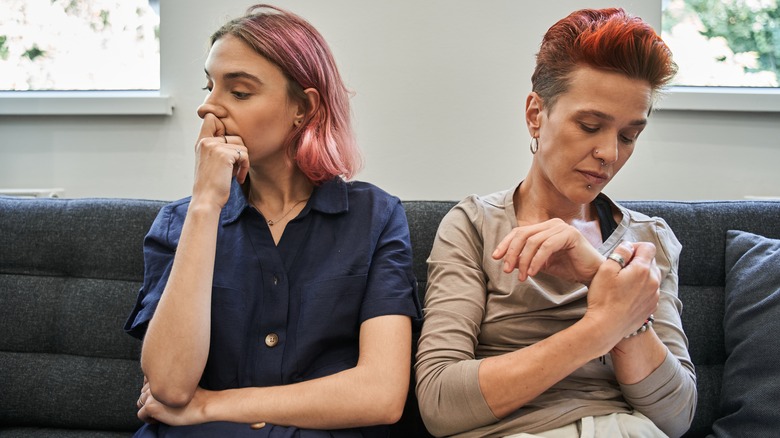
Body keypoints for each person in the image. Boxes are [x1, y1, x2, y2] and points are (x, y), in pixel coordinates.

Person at [124, 4, 421, 437]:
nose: (208, 108)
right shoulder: (179, 223)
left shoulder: (375, 217)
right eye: (209, 86)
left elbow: (380, 394)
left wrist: (212, 405)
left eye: (239, 92)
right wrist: (206, 204)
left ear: (303, 108)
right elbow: (168, 386)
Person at [415, 8, 696, 438]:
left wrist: (604, 281)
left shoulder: (648, 239)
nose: (609, 153)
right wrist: (603, 324)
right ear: (535, 115)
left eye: (628, 136)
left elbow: (676, 417)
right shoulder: (474, 226)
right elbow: (438, 404)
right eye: (589, 126)